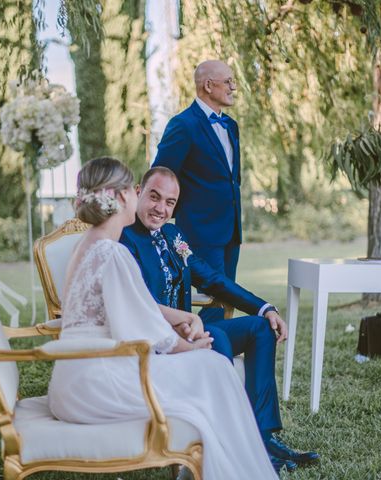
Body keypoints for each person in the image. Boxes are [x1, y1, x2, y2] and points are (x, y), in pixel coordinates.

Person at [47, 157, 278, 479]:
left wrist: (188, 330)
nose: (159, 207)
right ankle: (212, 461)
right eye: (140, 192)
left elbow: (136, 310)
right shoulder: (112, 251)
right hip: (95, 381)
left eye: (170, 202)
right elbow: (138, 324)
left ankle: (232, 449)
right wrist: (188, 347)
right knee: (213, 366)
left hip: (80, 374)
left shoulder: (93, 246)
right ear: (124, 195)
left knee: (212, 363)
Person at [120, 166, 320, 473]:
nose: (161, 208)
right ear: (138, 192)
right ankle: (228, 441)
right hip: (160, 340)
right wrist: (183, 324)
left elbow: (212, 279)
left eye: (170, 202)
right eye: (154, 197)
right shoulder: (125, 238)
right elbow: (137, 303)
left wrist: (264, 307)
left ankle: (263, 440)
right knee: (220, 338)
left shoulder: (173, 235)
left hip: (192, 330)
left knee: (259, 329)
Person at [153, 60, 242, 322]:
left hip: (231, 231)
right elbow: (162, 175)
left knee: (227, 298)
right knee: (213, 297)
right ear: (208, 85)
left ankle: (215, 348)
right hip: (201, 231)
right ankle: (202, 350)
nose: (233, 87)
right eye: (228, 81)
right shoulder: (183, 124)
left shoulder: (232, 126)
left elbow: (231, 179)